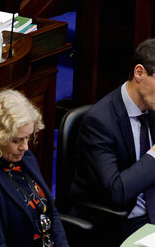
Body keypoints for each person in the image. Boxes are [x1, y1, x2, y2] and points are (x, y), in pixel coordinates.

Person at [0, 89, 68, 247]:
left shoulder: (25, 158)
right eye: (17, 140)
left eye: (27, 137)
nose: (25, 147)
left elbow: (51, 213)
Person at [72, 38, 155, 240]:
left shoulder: (152, 107)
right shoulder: (100, 122)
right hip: (123, 222)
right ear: (139, 73)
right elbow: (116, 191)